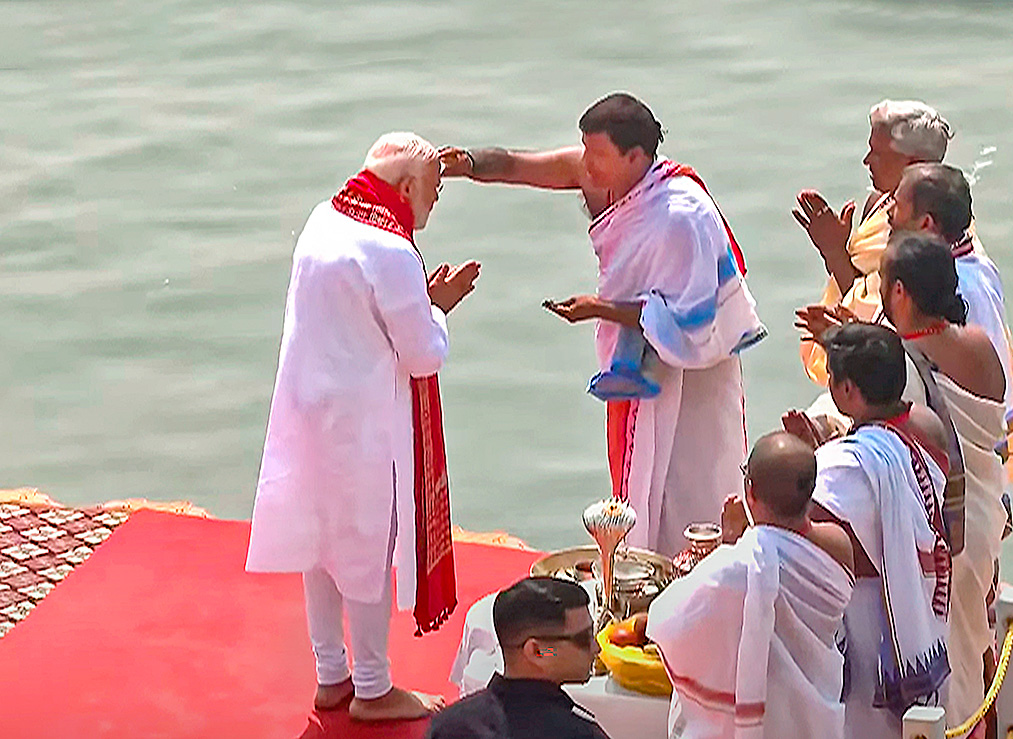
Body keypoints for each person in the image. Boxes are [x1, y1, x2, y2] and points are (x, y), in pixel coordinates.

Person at [440, 92, 765, 555]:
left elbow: (691, 320)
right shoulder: (601, 173)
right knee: (639, 473)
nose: (586, 165)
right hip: (641, 352)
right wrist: (467, 163)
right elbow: (520, 166)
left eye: (598, 155)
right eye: (585, 150)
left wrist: (598, 308)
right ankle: (641, 565)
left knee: (691, 477)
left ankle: (690, 572)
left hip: (692, 366)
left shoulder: (681, 215)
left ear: (637, 157)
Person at [245, 133, 481, 721]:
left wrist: (417, 306)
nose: (436, 199)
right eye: (433, 188)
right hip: (362, 421)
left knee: (321, 544)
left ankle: (331, 675)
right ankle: (373, 688)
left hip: (307, 408)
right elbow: (423, 354)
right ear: (405, 187)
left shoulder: (324, 218)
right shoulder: (392, 250)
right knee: (366, 546)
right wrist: (438, 307)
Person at [877, 232, 1007, 730]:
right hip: (984, 516)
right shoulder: (978, 344)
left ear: (901, 293)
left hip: (943, 528)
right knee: (973, 644)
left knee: (948, 661)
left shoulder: (903, 363)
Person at [645, 431, 853, 739]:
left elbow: (664, 620)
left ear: (750, 492)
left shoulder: (739, 564)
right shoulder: (838, 545)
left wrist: (732, 542)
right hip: (814, 715)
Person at [805, 323, 952, 738]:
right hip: (922, 603)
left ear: (848, 390)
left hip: (872, 613)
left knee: (867, 725)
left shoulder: (843, 465)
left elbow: (803, 520)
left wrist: (810, 457)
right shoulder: (925, 425)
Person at [889, 162, 1013, 485]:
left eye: (897, 205)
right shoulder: (978, 265)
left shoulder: (958, 286)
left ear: (926, 224)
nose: (888, 213)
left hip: (968, 455)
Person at [793, 100, 952, 385]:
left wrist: (835, 254)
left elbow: (885, 322)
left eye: (878, 154)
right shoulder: (878, 203)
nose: (867, 160)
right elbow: (861, 288)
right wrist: (835, 250)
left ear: (912, 164)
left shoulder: (931, 233)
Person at [427, 578, 610, 739]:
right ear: (537, 652)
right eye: (583, 638)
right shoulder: (581, 734)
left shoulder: (446, 727)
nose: (596, 647)